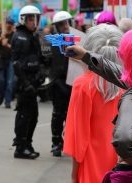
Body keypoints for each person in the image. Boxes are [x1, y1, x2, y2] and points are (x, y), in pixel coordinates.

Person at [65, 27, 132, 183]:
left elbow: (79, 136)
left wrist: (130, 154)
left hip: (106, 167)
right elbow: (115, 71)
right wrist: (85, 56)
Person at [63, 24, 124, 183]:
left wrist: (73, 175)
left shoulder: (83, 85)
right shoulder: (131, 85)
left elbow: (78, 137)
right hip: (126, 164)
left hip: (93, 164)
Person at [11, 5, 44, 159]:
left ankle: (27, 143)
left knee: (33, 116)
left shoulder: (33, 36)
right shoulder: (19, 37)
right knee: (24, 115)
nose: (34, 22)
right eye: (31, 19)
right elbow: (16, 63)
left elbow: (37, 58)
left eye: (36, 19)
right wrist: (26, 84)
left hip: (32, 81)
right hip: (24, 83)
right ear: (23, 20)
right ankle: (20, 146)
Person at [50, 11, 73, 157]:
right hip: (58, 83)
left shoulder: (77, 39)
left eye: (66, 22)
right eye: (61, 23)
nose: (65, 26)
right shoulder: (53, 42)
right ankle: (56, 142)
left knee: (71, 116)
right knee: (58, 114)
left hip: (73, 83)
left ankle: (68, 142)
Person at [0, 18, 14, 108]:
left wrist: (7, 45)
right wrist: (0, 38)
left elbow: (15, 49)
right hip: (1, 60)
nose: (9, 25)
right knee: (1, 81)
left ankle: (7, 101)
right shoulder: (0, 33)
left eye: (11, 23)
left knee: (9, 82)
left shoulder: (14, 36)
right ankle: (1, 95)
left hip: (10, 60)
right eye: (7, 23)